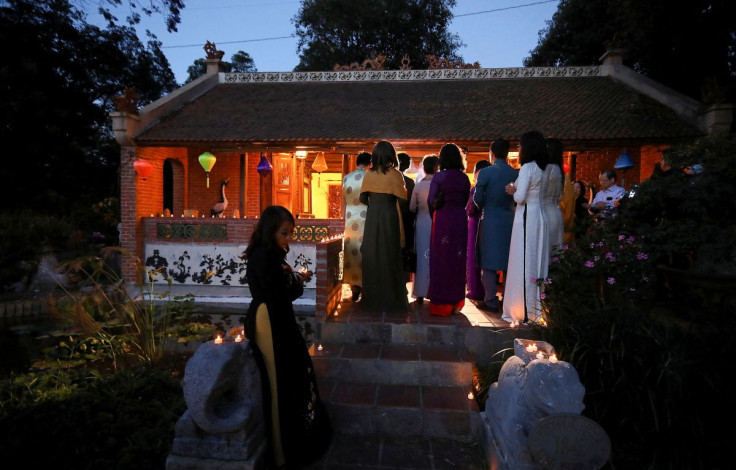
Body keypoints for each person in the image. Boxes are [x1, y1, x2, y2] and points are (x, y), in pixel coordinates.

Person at [243, 205, 332, 469]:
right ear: (271, 230)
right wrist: (299, 278)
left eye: (289, 234)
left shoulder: (270, 253)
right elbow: (279, 291)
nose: (287, 239)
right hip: (269, 320)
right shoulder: (264, 256)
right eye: (284, 233)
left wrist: (294, 278)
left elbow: (283, 290)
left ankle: (290, 442)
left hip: (277, 317)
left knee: (291, 375)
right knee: (279, 379)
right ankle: (283, 450)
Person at [503, 130, 557, 324]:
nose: (517, 148)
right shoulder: (544, 169)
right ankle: (535, 309)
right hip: (540, 216)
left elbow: (520, 197)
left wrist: (512, 191)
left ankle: (522, 310)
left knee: (524, 260)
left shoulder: (527, 168)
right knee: (536, 260)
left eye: (519, 145)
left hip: (526, 217)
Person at [359, 140, 410, 312]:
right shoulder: (395, 175)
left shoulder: (369, 175)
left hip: (373, 217)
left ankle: (372, 299)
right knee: (390, 255)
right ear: (391, 155)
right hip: (389, 216)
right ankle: (392, 299)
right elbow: (403, 200)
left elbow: (362, 199)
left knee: (372, 254)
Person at [473, 138, 519, 312]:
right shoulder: (516, 173)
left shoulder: (485, 172)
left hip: (490, 218)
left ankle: (490, 300)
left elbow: (477, 198)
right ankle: (508, 299)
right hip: (510, 219)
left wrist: (486, 204)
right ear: (507, 153)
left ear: (491, 153)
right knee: (509, 261)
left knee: (489, 262)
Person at [427, 143, 471, 316]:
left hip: (443, 220)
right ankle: (456, 302)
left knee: (441, 259)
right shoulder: (464, 178)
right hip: (460, 219)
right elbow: (466, 200)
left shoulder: (439, 177)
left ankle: (441, 304)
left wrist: (436, 215)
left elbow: (431, 201)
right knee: (458, 260)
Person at [409, 154, 439, 304]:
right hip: (437, 222)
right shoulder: (440, 184)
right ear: (437, 167)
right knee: (436, 256)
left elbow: (411, 208)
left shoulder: (419, 185)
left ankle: (420, 292)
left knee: (422, 257)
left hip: (421, 223)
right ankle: (435, 290)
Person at [342, 151, 372, 301]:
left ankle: (354, 289)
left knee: (353, 251)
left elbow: (344, 202)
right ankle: (368, 287)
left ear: (356, 163)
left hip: (350, 219)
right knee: (366, 250)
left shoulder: (346, 178)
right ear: (369, 163)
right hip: (366, 217)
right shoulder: (370, 177)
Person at [466, 159, 491, 301]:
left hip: (474, 222)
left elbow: (469, 210)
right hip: (488, 222)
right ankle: (487, 291)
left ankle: (475, 289)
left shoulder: (476, 189)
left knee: (474, 255)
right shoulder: (492, 188)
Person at [543, 138, 565, 251]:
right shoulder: (559, 169)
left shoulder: (546, 169)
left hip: (544, 213)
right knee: (556, 250)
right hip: (556, 212)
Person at [398, 152, 416, 279]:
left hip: (393, 218)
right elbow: (413, 205)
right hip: (407, 219)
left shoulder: (389, 179)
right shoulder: (410, 182)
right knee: (404, 252)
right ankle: (403, 281)